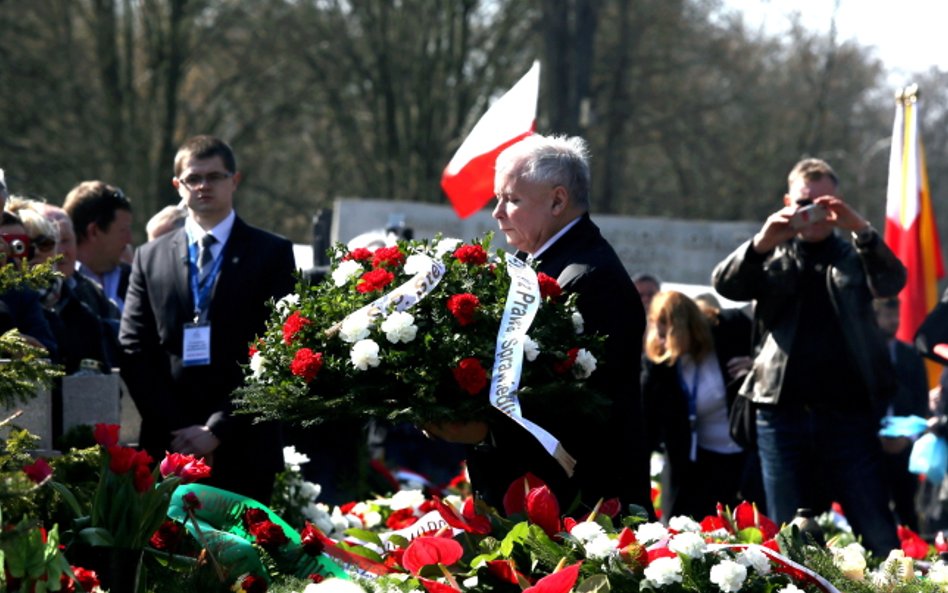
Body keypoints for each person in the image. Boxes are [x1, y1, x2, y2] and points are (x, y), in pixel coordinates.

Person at [429, 134, 653, 515]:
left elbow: (580, 407)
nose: (497, 213)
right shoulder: (534, 263)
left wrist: (484, 430)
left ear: (557, 200)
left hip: (579, 505)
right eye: (498, 199)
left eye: (512, 200)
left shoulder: (588, 279)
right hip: (537, 494)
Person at [712, 157, 904, 555]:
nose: (812, 213)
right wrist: (763, 240)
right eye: (803, 203)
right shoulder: (771, 255)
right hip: (780, 414)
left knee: (878, 530)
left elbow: (892, 280)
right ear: (787, 202)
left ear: (838, 203)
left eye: (824, 203)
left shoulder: (854, 255)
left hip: (848, 415)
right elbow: (725, 285)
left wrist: (861, 230)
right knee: (789, 537)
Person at [119, 135, 296, 503]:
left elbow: (282, 349)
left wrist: (218, 429)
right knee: (167, 557)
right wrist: (180, 429)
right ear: (177, 185)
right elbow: (135, 348)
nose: (203, 186)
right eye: (193, 178)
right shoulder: (149, 258)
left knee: (239, 557)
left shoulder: (271, 253)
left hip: (245, 443)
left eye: (214, 177)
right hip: (170, 445)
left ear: (235, 180)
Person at [641, 290, 756, 519]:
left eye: (667, 335)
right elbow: (648, 420)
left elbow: (772, 353)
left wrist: (755, 365)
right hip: (695, 462)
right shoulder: (661, 366)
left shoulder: (732, 329)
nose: (662, 342)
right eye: (659, 334)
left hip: (745, 455)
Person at [874, 297, 930, 531]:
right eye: (887, 316)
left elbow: (921, 403)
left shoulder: (911, 356)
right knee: (874, 509)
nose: (893, 321)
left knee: (907, 509)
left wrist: (908, 438)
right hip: (872, 446)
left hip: (905, 447)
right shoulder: (865, 356)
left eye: (896, 316)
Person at [63, 180, 133, 322]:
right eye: (123, 230)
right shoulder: (61, 285)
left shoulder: (135, 279)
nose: (129, 239)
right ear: (94, 231)